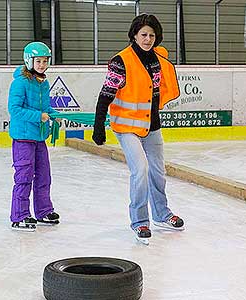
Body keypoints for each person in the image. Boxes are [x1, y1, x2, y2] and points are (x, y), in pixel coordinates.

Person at [92, 14, 184, 243]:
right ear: (134, 35)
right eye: (143, 34)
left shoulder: (157, 60)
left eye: (152, 35)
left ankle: (162, 214)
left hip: (151, 125)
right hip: (127, 126)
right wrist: (99, 126)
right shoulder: (121, 61)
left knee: (157, 173)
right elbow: (105, 95)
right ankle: (140, 222)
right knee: (140, 171)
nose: (148, 39)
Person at [8, 41, 60, 231]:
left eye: (45, 61)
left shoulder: (43, 82)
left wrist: (53, 114)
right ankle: (20, 215)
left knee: (44, 175)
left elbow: (45, 108)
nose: (42, 65)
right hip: (23, 138)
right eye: (38, 61)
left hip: (39, 137)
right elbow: (14, 109)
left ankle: (43, 211)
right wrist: (39, 116)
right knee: (24, 176)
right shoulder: (20, 82)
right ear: (29, 61)